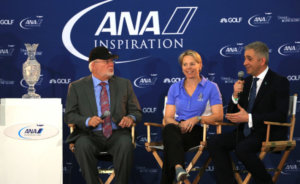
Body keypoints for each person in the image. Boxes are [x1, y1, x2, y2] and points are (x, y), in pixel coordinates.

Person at [207, 41, 290, 184]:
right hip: (244, 133)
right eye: (244, 58)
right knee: (215, 141)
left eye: (249, 59)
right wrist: (234, 95)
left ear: (262, 60)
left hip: (266, 132)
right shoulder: (245, 82)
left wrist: (249, 117)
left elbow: (281, 115)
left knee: (243, 148)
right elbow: (232, 117)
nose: (245, 63)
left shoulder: (279, 81)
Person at [64, 46, 142, 184]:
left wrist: (130, 118)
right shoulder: (77, 86)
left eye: (112, 61)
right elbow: (69, 116)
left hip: (117, 134)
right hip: (89, 135)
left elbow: (136, 112)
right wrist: (87, 121)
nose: (111, 64)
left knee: (125, 143)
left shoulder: (124, 84)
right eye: (106, 61)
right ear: (93, 65)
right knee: (82, 145)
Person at [161, 50, 223, 184]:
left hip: (198, 130)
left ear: (200, 65)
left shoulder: (211, 87)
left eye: (192, 64)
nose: (188, 68)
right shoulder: (174, 88)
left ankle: (177, 169)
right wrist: (179, 126)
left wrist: (197, 119)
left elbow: (219, 116)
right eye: (185, 64)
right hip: (177, 129)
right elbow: (168, 117)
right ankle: (178, 167)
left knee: (169, 146)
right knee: (170, 129)